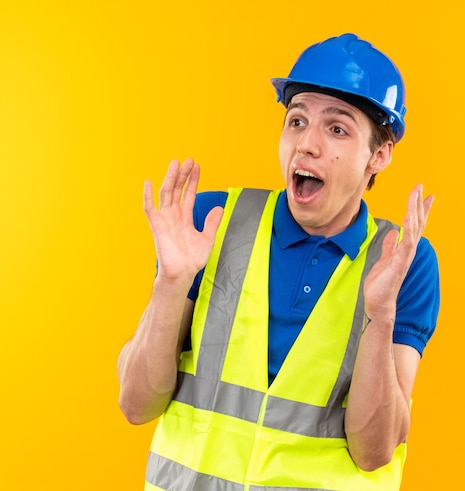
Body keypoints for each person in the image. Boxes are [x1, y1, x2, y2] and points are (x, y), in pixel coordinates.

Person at [118, 33, 440, 491]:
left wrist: (380, 316)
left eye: (337, 129)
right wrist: (172, 282)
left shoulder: (404, 261)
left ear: (380, 155)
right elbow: (136, 405)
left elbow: (373, 452)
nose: (306, 144)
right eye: (296, 120)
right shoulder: (209, 222)